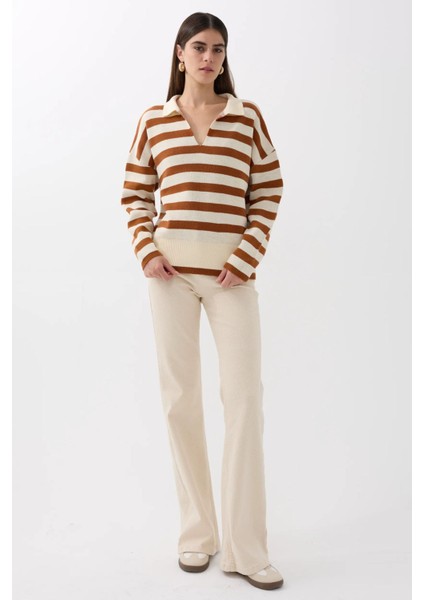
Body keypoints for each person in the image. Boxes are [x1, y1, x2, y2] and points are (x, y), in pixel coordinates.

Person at [120, 11, 285, 591]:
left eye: (218, 48)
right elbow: (135, 192)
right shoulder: (154, 120)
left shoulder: (247, 117)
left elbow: (268, 189)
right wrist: (146, 250)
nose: (209, 57)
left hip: (231, 278)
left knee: (244, 403)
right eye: (199, 47)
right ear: (180, 53)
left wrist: (246, 255)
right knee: (180, 401)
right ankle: (198, 534)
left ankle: (247, 548)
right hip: (169, 277)